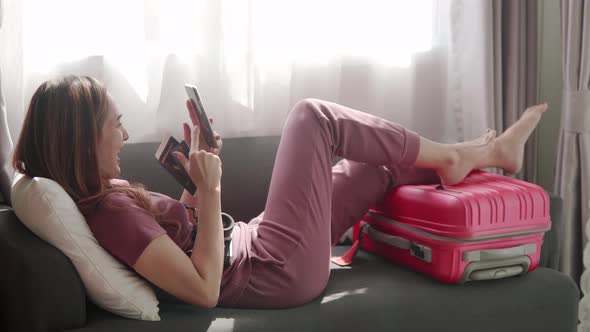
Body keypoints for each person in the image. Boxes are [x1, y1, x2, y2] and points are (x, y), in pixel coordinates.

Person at [12, 75, 547, 309]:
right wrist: (214, 188)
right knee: (312, 118)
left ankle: (486, 163)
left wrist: (202, 178)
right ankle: (462, 156)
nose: (126, 136)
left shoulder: (109, 195)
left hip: (257, 245)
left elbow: (188, 239)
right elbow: (203, 291)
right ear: (81, 138)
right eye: (116, 125)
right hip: (274, 269)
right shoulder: (110, 215)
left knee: (370, 166)